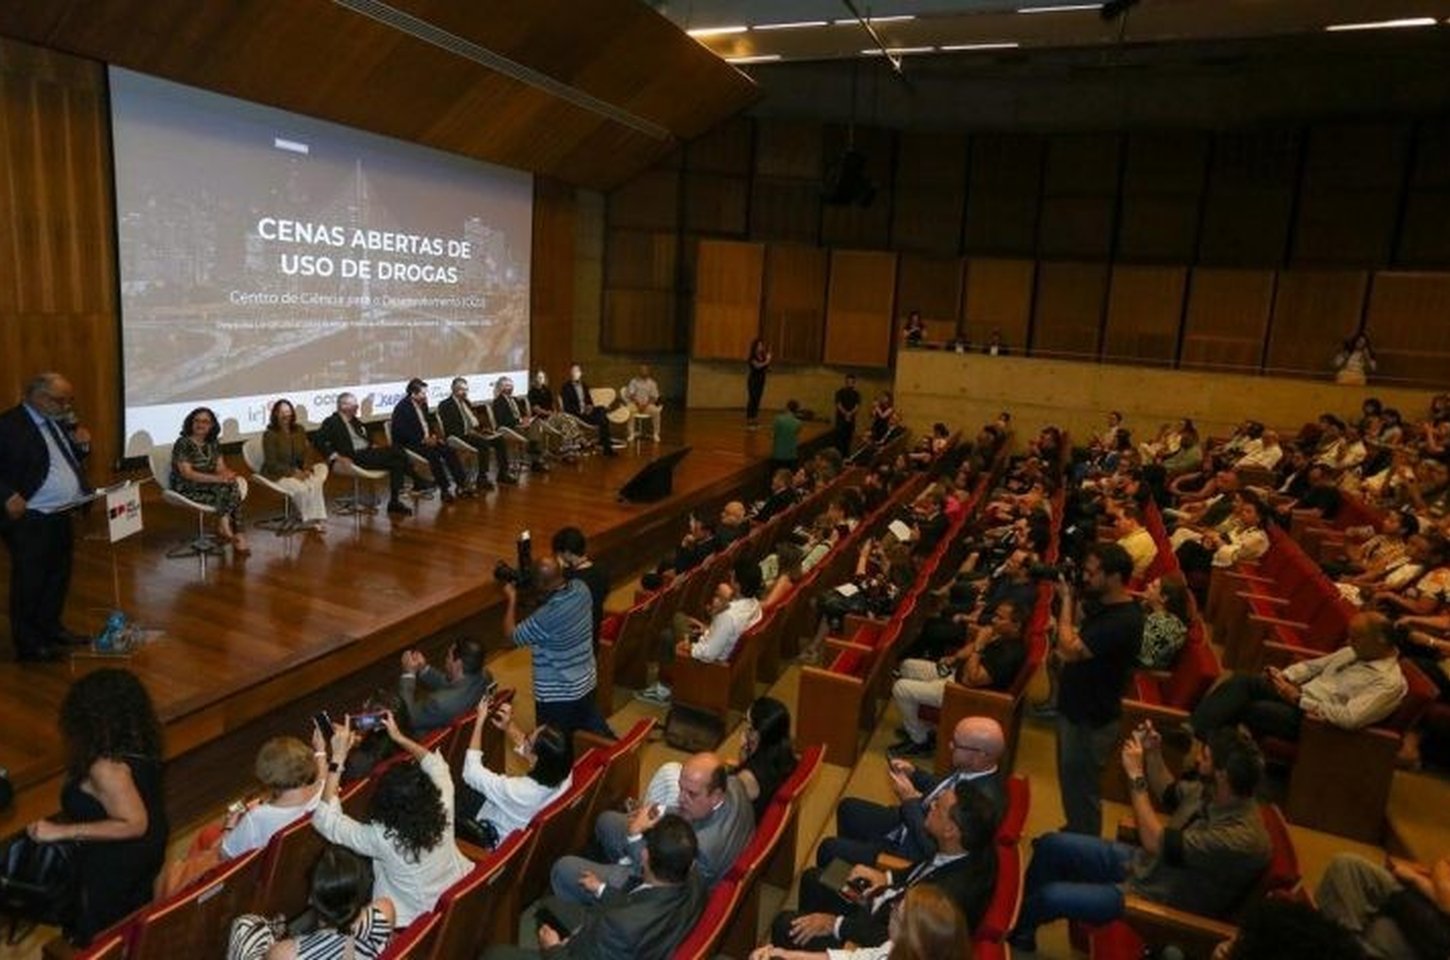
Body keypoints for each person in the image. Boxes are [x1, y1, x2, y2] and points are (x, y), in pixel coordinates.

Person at [1007, 725, 1271, 954]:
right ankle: (1020, 930)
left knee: (1050, 897)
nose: (1197, 755)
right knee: (1052, 844)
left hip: (1159, 900)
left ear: (1223, 774)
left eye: (1205, 755)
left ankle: (1006, 930)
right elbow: (1170, 793)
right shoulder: (1215, 789)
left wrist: (1136, 777)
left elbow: (1154, 841)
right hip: (1147, 866)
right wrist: (1153, 754)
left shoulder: (1240, 838)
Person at [27, 668, 168, 946]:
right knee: (129, 928)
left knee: (99, 939)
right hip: (145, 855)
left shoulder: (105, 767)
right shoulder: (140, 744)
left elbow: (134, 823)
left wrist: (60, 832)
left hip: (113, 867)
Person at [771, 782, 997, 950]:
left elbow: (898, 942)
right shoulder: (960, 847)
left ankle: (815, 937)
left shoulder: (947, 899)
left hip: (877, 933)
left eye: (938, 807)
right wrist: (885, 878)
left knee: (786, 925)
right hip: (885, 899)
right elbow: (918, 871)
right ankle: (811, 930)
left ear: (950, 830)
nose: (930, 804)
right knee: (818, 877)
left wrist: (835, 924)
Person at [313, 711, 472, 927]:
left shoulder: (381, 837)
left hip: (414, 918)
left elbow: (325, 820)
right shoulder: (443, 802)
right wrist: (399, 738)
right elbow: (436, 765)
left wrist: (337, 758)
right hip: (458, 888)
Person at [485, 814, 705, 960]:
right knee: (549, 906)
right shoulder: (694, 880)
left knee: (494, 955)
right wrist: (601, 889)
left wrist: (553, 949)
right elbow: (640, 900)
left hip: (588, 948)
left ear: (645, 855)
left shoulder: (620, 928)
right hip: (627, 940)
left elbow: (628, 920)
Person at [551, 752, 754, 905]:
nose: (680, 797)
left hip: (658, 888)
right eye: (680, 788)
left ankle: (594, 913)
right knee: (606, 821)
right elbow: (692, 813)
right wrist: (661, 811)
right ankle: (620, 861)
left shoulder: (703, 852)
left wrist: (635, 836)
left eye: (691, 793)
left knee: (562, 869)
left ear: (716, 795)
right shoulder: (734, 785)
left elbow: (662, 877)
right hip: (670, 850)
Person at [815, 716, 1005, 869]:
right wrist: (914, 773)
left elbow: (935, 848)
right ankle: (854, 871)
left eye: (957, 744)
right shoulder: (973, 768)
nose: (950, 746)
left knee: (829, 848)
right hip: (910, 821)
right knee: (848, 808)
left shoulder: (983, 802)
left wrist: (910, 800)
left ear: (982, 754)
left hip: (913, 851)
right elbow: (942, 786)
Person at [1186, 611, 1407, 742]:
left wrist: (1300, 700)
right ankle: (1195, 732)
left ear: (1380, 641)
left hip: (1315, 724)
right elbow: (1312, 667)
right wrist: (1284, 676)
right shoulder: (1354, 651)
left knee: (1252, 707)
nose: (1349, 643)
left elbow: (1349, 718)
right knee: (1242, 681)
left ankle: (1206, 747)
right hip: (1297, 695)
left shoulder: (1389, 682)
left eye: (1356, 638)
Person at [160, 731, 326, 897]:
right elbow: (322, 776)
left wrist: (230, 826)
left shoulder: (258, 818)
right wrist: (320, 750)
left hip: (254, 877)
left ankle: (183, 896)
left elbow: (224, 854)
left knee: (206, 837)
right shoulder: (323, 793)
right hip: (294, 864)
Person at [0, 372, 93, 662]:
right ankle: (28, 643)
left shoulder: (57, 422)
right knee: (31, 579)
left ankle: (51, 628)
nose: (66, 406)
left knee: (57, 576)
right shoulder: (10, 424)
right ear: (38, 397)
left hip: (60, 513)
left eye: (68, 400)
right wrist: (5, 494)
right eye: (60, 400)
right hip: (31, 516)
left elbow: (63, 461)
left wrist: (83, 445)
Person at [1054, 542, 1144, 837]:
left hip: (1090, 720)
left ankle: (1083, 847)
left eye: (1091, 573)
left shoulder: (1123, 620)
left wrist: (1066, 600)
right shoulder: (1105, 605)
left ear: (1114, 576)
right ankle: (1074, 833)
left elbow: (1069, 650)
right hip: (1076, 708)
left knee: (1083, 788)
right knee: (1071, 783)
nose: (1085, 578)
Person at [889, 603, 1028, 757]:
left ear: (1016, 625)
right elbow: (966, 653)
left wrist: (979, 647)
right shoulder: (1001, 635)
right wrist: (954, 658)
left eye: (1000, 618)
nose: (994, 620)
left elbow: (972, 680)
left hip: (964, 694)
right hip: (955, 676)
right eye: (995, 615)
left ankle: (920, 741)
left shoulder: (1010, 654)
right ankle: (921, 727)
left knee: (901, 688)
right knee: (908, 666)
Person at [504, 556, 614, 739]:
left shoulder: (545, 617)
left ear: (539, 584)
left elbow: (511, 637)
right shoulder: (582, 588)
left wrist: (511, 599)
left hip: (558, 696)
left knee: (554, 749)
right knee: (590, 733)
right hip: (586, 681)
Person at [227, 845, 395, 960]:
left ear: (311, 899)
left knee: (245, 925)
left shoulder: (289, 953)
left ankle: (271, 929)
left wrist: (273, 945)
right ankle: (272, 929)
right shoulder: (385, 911)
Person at [637, 557, 765, 706]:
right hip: (720, 650)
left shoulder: (728, 617)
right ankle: (665, 685)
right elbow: (726, 635)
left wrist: (688, 647)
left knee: (672, 626)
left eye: (732, 576)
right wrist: (708, 629)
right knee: (672, 629)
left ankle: (664, 690)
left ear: (737, 585)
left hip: (711, 667)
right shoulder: (755, 605)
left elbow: (707, 654)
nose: (729, 578)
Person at [748, 885, 969, 960]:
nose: (890, 911)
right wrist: (786, 955)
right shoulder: (898, 948)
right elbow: (854, 958)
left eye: (896, 915)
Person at [462, 700, 573, 849]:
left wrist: (479, 721)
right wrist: (509, 726)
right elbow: (531, 752)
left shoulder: (519, 790)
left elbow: (471, 772)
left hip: (492, 835)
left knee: (455, 796)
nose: (525, 737)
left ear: (536, 758)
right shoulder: (564, 771)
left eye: (528, 737)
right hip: (519, 814)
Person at [1316, 850, 1450, 960]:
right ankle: (1345, 945)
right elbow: (1443, 863)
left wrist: (1418, 880)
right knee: (1345, 867)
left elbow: (1446, 899)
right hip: (1424, 902)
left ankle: (1345, 946)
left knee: (1379, 933)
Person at [313, 392, 414, 516]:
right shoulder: (332, 422)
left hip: (366, 453)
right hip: (352, 457)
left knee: (396, 462)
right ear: (343, 406)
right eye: (354, 404)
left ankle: (394, 502)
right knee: (396, 451)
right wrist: (336, 456)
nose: (357, 407)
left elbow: (367, 438)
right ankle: (416, 478)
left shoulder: (355, 421)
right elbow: (318, 440)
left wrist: (372, 445)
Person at [172, 405, 250, 553]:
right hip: (187, 486)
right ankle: (227, 527)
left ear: (212, 425)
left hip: (209, 485)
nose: (200, 424)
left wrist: (227, 474)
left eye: (205, 421)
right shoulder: (183, 443)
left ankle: (232, 529)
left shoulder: (213, 443)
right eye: (197, 421)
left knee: (232, 485)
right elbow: (187, 473)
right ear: (191, 423)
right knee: (226, 488)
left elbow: (220, 467)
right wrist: (218, 479)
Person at [389, 378, 468, 501]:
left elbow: (428, 424)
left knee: (449, 451)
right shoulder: (402, 408)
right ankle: (445, 489)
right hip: (411, 444)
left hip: (427, 440)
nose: (425, 396)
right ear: (413, 394)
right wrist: (423, 440)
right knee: (433, 456)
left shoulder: (423, 404)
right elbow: (401, 433)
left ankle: (462, 484)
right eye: (423, 393)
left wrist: (434, 436)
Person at [398, 637, 493, 737]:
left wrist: (408, 674)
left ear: (458, 664)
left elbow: (407, 719)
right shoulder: (485, 677)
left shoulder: (437, 704)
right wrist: (423, 669)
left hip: (425, 743)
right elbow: (453, 686)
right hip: (467, 735)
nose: (446, 659)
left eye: (448, 656)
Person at [261, 398, 329, 531]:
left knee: (315, 482)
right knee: (301, 489)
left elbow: (307, 452)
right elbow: (271, 464)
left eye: (288, 411)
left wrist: (307, 468)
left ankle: (316, 518)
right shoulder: (269, 435)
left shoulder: (299, 430)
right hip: (277, 473)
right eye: (281, 412)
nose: (286, 415)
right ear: (275, 415)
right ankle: (307, 520)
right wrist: (293, 473)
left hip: (299, 470)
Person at [734, 697, 799, 822]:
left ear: (756, 735)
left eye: (748, 725)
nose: (744, 730)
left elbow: (725, 808)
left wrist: (743, 752)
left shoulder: (748, 777)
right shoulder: (786, 756)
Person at [437, 376, 510, 488]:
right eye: (461, 389)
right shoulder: (445, 405)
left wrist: (483, 428)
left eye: (466, 389)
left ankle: (503, 473)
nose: (464, 392)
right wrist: (471, 432)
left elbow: (473, 419)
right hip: (460, 436)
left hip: (474, 432)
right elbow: (450, 428)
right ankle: (482, 478)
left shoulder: (466, 402)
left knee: (499, 439)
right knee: (483, 443)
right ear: (453, 389)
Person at [554, 526, 610, 648]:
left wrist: (560, 572)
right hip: (593, 638)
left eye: (559, 554)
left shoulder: (569, 580)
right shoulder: (601, 570)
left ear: (567, 553)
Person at [493, 376, 552, 473]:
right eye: (507, 385)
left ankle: (534, 454)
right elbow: (502, 420)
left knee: (536, 423)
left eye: (511, 385)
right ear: (501, 387)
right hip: (510, 427)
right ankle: (535, 458)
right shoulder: (498, 402)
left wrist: (526, 419)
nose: (510, 388)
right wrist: (520, 421)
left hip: (522, 425)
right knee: (534, 430)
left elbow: (522, 412)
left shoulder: (515, 399)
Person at [527, 369, 586, 459]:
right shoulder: (532, 392)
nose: (541, 379)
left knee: (568, 417)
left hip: (551, 416)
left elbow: (552, 404)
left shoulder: (546, 390)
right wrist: (548, 413)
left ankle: (568, 443)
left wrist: (554, 411)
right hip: (541, 419)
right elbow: (536, 409)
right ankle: (576, 439)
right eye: (539, 377)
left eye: (542, 377)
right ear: (535, 379)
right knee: (565, 418)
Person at [1138, 573, 1192, 669]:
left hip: (1141, 671)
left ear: (1163, 598)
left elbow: (1144, 659)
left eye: (1153, 586)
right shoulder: (1158, 615)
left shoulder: (1163, 625)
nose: (1148, 585)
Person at [561, 364, 617, 456]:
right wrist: (581, 410)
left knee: (602, 410)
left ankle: (604, 441)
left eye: (578, 371)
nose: (576, 373)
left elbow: (589, 401)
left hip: (587, 412)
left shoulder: (584, 385)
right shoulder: (566, 387)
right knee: (603, 419)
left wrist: (590, 407)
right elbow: (567, 407)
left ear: (581, 373)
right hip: (577, 415)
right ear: (570, 373)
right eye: (574, 371)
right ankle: (606, 445)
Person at [624, 364, 663, 442]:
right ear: (639, 371)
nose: (644, 372)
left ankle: (656, 434)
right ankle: (631, 433)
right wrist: (638, 404)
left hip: (647, 405)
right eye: (642, 370)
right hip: (635, 404)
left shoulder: (652, 383)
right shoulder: (633, 381)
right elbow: (631, 395)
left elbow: (654, 397)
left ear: (648, 372)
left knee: (656, 411)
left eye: (645, 370)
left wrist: (645, 405)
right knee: (628, 410)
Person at [747, 338, 772, 428]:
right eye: (759, 345)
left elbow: (764, 368)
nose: (761, 347)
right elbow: (757, 366)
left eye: (762, 345)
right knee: (752, 398)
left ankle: (755, 417)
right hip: (753, 380)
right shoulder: (752, 357)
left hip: (761, 380)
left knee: (758, 399)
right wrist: (767, 361)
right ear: (755, 346)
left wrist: (768, 367)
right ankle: (750, 418)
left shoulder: (762, 356)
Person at [834, 374, 862, 457]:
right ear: (845, 382)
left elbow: (857, 406)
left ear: (854, 383)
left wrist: (850, 414)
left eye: (852, 382)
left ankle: (846, 456)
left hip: (851, 420)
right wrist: (846, 413)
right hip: (840, 420)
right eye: (848, 382)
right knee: (840, 439)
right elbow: (838, 405)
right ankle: (839, 456)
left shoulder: (856, 394)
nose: (850, 383)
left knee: (848, 439)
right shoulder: (839, 392)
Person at [771, 400, 803, 471]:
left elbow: (773, 434)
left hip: (778, 454)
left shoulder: (778, 419)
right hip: (792, 455)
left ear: (787, 408)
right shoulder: (798, 423)